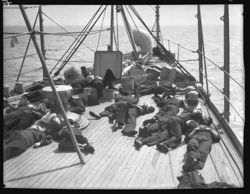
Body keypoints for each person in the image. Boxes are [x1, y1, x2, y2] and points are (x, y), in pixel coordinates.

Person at [134, 112, 213, 152]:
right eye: (206, 118)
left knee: (161, 136)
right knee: (178, 137)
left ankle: (141, 141)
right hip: (177, 122)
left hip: (172, 122)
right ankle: (164, 144)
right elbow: (188, 124)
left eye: (206, 119)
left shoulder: (196, 122)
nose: (205, 118)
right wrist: (197, 126)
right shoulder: (197, 119)